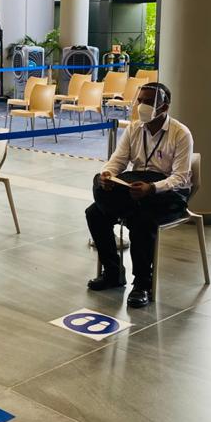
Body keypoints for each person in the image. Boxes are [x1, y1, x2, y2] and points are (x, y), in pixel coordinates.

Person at [85, 83, 192, 308]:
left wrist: (152, 188)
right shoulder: (134, 128)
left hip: (168, 194)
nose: (142, 105)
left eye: (149, 102)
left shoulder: (180, 133)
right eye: (140, 100)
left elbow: (180, 178)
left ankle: (143, 284)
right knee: (94, 211)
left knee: (141, 221)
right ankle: (113, 273)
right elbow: (117, 161)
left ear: (164, 107)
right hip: (135, 189)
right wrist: (107, 175)